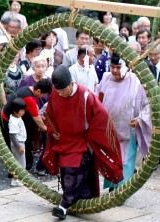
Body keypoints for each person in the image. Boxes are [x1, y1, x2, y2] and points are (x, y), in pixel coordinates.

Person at [43, 65, 123, 220]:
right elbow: (50, 115)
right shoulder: (55, 93)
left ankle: (64, 205)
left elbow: (102, 117)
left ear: (71, 83)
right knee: (66, 171)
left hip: (81, 141)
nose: (60, 94)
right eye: (58, 91)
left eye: (63, 90)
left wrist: (92, 137)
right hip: (64, 139)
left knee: (73, 170)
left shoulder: (85, 95)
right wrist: (53, 131)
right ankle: (77, 200)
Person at [96, 54, 152, 191]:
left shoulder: (136, 82)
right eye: (112, 67)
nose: (115, 71)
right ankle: (112, 186)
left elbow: (148, 104)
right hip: (108, 129)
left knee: (125, 161)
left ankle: (122, 191)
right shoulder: (105, 79)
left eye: (118, 67)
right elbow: (97, 100)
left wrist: (139, 119)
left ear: (127, 68)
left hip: (128, 130)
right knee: (110, 159)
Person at [1, 79, 52, 171]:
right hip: (8, 119)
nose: (42, 96)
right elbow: (36, 118)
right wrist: (46, 129)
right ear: (38, 91)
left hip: (14, 116)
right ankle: (16, 169)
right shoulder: (29, 98)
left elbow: (36, 108)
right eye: (43, 94)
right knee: (15, 145)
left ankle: (23, 164)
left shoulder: (28, 89)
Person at [8, 98, 27, 186]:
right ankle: (16, 180)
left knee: (17, 161)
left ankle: (15, 177)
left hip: (20, 142)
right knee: (21, 163)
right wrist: (19, 147)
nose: (23, 112)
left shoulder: (17, 118)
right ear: (15, 112)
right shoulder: (13, 121)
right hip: (18, 143)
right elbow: (12, 136)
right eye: (22, 111)